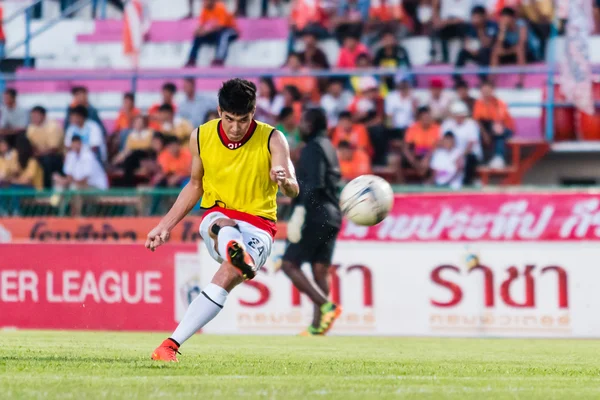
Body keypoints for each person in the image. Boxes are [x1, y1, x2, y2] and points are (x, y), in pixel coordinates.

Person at [148, 78, 299, 362]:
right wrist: (164, 225)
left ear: (253, 112)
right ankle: (235, 249)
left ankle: (169, 345)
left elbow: (293, 187)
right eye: (229, 119)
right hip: (218, 219)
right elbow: (195, 185)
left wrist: (283, 179)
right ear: (219, 110)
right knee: (221, 222)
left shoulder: (272, 138)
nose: (235, 127)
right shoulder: (201, 136)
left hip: (259, 226)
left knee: (227, 275)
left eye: (243, 120)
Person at [280, 107, 343, 336]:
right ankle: (318, 326)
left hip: (316, 213)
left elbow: (313, 184)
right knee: (319, 269)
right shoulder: (329, 147)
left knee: (289, 264)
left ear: (312, 124)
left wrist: (298, 209)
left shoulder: (312, 148)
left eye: (304, 122)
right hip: (333, 214)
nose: (300, 127)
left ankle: (326, 306)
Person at [185, 0, 239, 67]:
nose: (203, 3)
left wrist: (205, 31)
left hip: (230, 30)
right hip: (215, 32)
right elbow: (201, 25)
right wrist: (198, 31)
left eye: (205, 1)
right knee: (198, 37)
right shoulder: (205, 9)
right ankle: (192, 59)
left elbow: (220, 26)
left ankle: (219, 59)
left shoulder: (220, 7)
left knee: (223, 35)